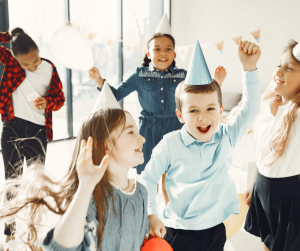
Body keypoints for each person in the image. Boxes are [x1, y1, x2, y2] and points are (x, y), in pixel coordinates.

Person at [140, 39, 261, 251]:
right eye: (193, 110)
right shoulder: (170, 143)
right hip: (179, 231)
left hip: (215, 229)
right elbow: (148, 177)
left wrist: (249, 69)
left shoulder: (226, 136)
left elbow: (250, 111)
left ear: (221, 110)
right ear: (180, 115)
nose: (203, 118)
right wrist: (152, 214)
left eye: (210, 109)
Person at [0, 109, 149, 251]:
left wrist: (151, 221)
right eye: (131, 132)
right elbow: (63, 249)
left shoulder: (141, 192)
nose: (142, 138)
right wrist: (86, 186)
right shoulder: (91, 197)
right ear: (104, 146)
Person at [88, 33, 227, 177]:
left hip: (175, 126)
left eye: (168, 49)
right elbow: (116, 95)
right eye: (157, 49)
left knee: (174, 169)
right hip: (149, 129)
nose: (163, 53)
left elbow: (202, 95)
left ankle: (169, 199)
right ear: (148, 54)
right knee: (148, 170)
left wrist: (217, 82)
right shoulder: (139, 75)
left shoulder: (183, 75)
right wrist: (98, 80)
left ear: (174, 54)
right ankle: (148, 199)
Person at [0, 27, 65, 248]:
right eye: (26, 64)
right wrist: (9, 38)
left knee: (36, 185)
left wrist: (48, 102)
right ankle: (9, 235)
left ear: (39, 51)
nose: (32, 66)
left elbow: (60, 98)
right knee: (12, 183)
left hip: (38, 131)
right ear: (16, 59)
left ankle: (33, 230)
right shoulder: (11, 64)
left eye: (35, 60)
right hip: (12, 129)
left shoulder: (49, 68)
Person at [244, 40, 300, 251]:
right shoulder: (267, 107)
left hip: (291, 195)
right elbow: (263, 151)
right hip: (264, 189)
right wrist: (254, 181)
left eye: (289, 67)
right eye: (279, 64)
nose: (279, 70)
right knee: (268, 242)